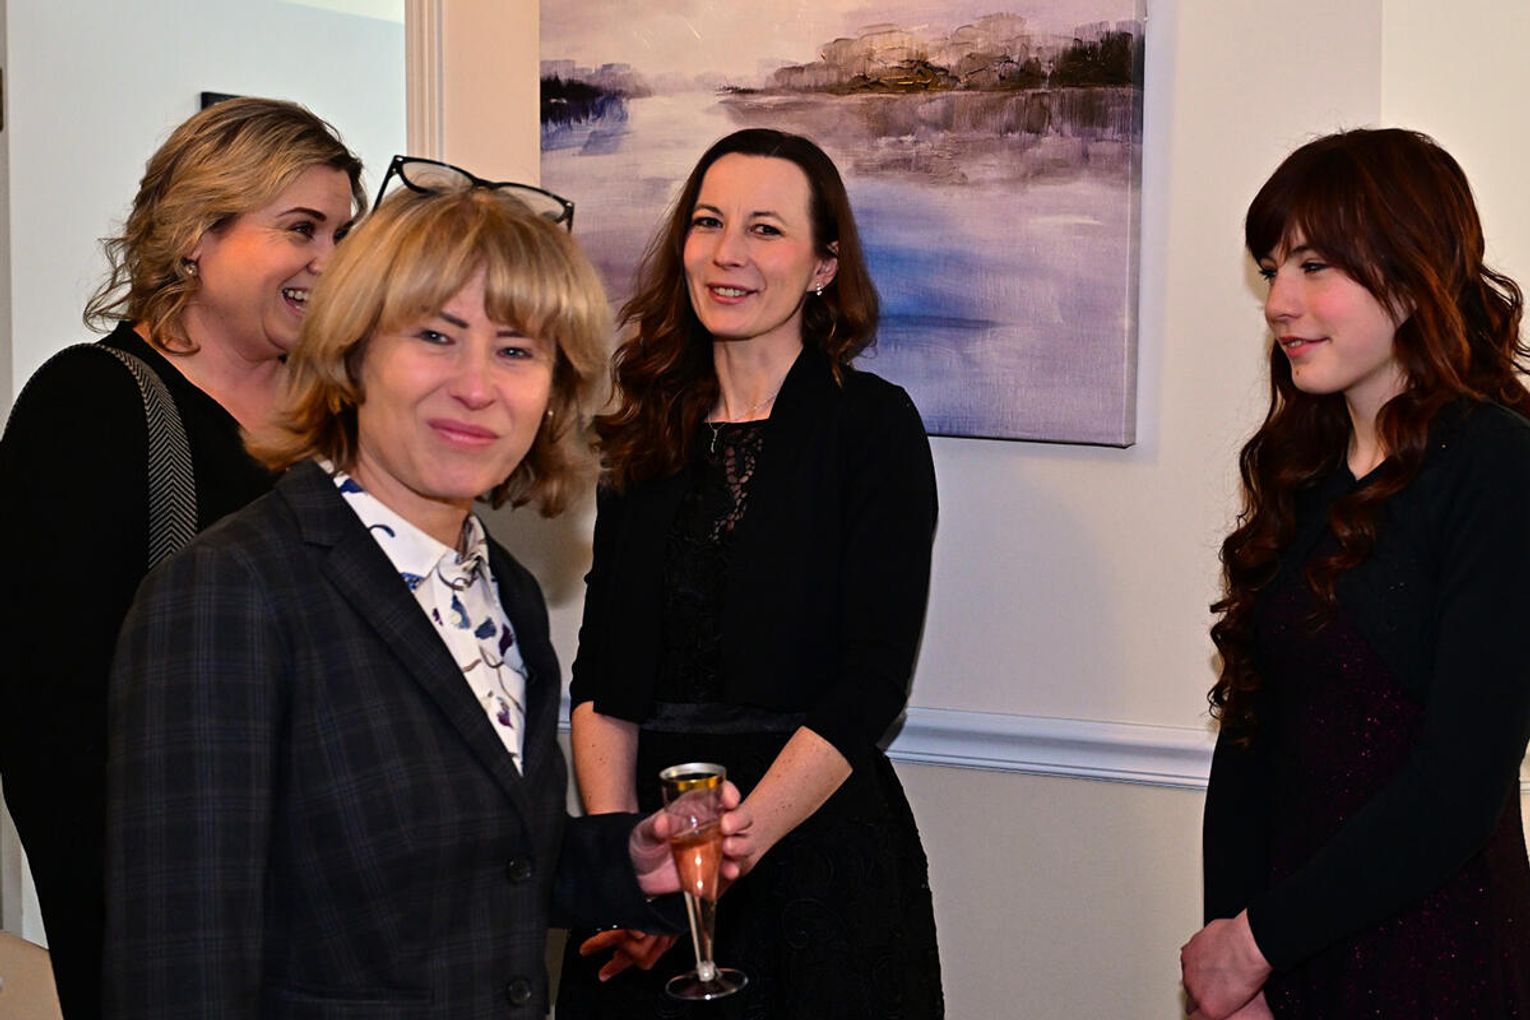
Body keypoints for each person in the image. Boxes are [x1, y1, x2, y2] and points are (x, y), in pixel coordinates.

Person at [102, 170, 754, 1018]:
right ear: (352, 354)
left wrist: (625, 862)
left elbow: (487, 863)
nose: (477, 386)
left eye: (516, 351)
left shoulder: (506, 593)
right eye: (437, 336)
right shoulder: (229, 594)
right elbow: (179, 970)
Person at [556, 128, 944, 1019]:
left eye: (765, 229)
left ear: (822, 266)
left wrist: (716, 864)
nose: (727, 253)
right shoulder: (644, 425)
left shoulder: (873, 427)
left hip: (807, 856)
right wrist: (626, 872)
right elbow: (602, 680)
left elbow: (872, 683)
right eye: (709, 222)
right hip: (649, 853)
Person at [0, 96, 363, 1020]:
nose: (331, 261)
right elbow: (50, 726)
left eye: (342, 234)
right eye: (301, 229)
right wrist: (131, 938)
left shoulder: (341, 419)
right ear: (198, 234)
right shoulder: (91, 408)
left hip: (345, 918)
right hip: (181, 927)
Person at [1182, 128, 1530, 1019]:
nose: (1278, 303)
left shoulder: (1496, 466)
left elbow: (1459, 785)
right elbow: (1250, 736)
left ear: (1412, 277)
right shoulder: (1300, 468)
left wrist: (1254, 945)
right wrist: (1232, 955)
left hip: (1433, 960)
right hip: (1284, 957)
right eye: (1272, 271)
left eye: (1314, 268)